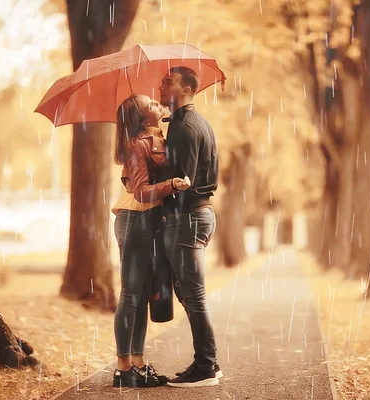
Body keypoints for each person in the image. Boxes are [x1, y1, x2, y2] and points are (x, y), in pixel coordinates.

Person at [111, 93, 191, 388]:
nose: (158, 103)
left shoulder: (159, 135)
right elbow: (141, 191)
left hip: (150, 220)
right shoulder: (137, 143)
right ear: (142, 117)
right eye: (151, 105)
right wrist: (171, 185)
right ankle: (123, 368)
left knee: (143, 296)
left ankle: (138, 363)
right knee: (131, 295)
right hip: (135, 220)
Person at [157, 66, 223, 387]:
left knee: (193, 294)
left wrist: (148, 174)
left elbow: (182, 181)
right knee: (186, 290)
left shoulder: (184, 128)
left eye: (167, 82)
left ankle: (207, 366)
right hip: (198, 216)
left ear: (185, 90)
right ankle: (206, 361)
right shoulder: (193, 123)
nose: (160, 86)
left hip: (189, 217)